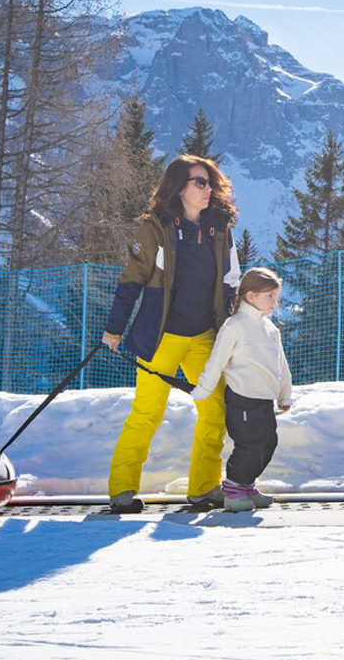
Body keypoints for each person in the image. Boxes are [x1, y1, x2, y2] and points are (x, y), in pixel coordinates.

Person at [101, 155, 240, 513]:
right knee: (147, 411)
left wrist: (238, 327)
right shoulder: (154, 229)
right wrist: (114, 330)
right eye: (200, 182)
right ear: (179, 187)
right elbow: (131, 280)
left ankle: (204, 488)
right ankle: (121, 489)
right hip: (161, 336)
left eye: (210, 182)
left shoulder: (220, 229)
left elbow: (231, 283)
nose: (208, 189)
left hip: (204, 335)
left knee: (214, 408)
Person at [190, 267, 293, 512]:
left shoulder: (270, 329)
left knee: (268, 443)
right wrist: (202, 390)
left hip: (265, 399)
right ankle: (234, 490)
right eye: (269, 297)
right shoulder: (234, 326)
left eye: (275, 298)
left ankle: (246, 486)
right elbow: (217, 361)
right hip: (242, 399)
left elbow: (281, 364)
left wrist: (284, 394)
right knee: (250, 444)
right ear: (250, 296)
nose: (274, 303)